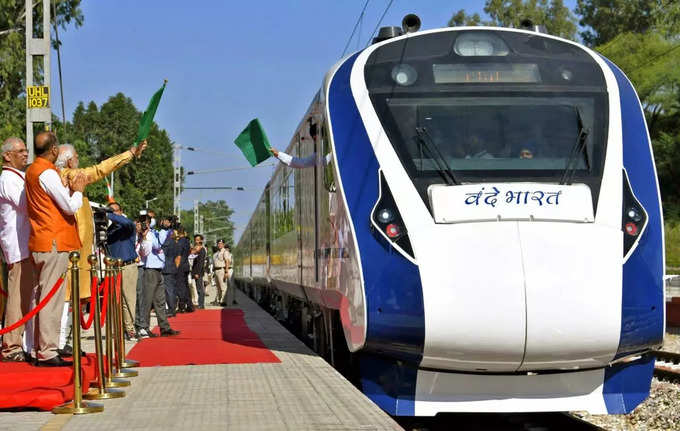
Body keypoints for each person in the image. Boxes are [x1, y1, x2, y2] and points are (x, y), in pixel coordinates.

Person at [55, 140, 147, 351]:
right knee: (67, 299)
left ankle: (64, 342)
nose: (79, 161)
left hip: (78, 249)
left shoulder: (66, 177)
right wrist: (129, 154)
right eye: (77, 157)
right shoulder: (69, 176)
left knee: (72, 300)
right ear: (70, 161)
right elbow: (99, 170)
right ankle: (59, 343)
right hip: (72, 249)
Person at [26, 131, 87, 366]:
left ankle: (36, 347)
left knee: (39, 297)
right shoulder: (47, 173)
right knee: (51, 298)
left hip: (39, 240)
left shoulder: (32, 170)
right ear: (53, 151)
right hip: (53, 241)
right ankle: (48, 351)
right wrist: (78, 189)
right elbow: (70, 206)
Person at [0, 137, 37, 362]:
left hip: (25, 244)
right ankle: (11, 345)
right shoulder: (8, 179)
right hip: (17, 245)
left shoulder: (18, 177)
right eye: (20, 151)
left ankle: (19, 342)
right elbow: (27, 205)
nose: (25, 154)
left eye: (26, 150)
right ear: (7, 156)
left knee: (25, 296)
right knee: (17, 296)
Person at [138, 215, 180, 338]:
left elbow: (162, 242)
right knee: (147, 301)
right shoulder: (145, 235)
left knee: (160, 301)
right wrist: (146, 234)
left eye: (146, 223)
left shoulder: (154, 232)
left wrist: (169, 229)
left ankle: (164, 327)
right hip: (149, 269)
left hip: (158, 269)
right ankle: (144, 327)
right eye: (142, 223)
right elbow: (153, 248)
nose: (144, 225)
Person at [106, 201, 138, 341]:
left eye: (115, 211)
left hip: (127, 266)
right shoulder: (109, 230)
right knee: (115, 301)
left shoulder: (128, 227)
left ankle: (130, 330)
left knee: (128, 300)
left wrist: (108, 214)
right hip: (113, 268)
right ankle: (118, 329)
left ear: (121, 211)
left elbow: (126, 222)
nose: (113, 213)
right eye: (110, 211)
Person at [175, 227, 192, 312]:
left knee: (180, 286)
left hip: (180, 266)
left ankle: (181, 306)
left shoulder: (180, 242)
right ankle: (189, 305)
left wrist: (176, 268)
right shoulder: (187, 241)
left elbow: (178, 256)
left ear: (177, 232)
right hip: (186, 265)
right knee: (186, 286)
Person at [191, 234, 207, 309]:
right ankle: (200, 303)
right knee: (197, 288)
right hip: (194, 271)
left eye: (198, 240)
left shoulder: (202, 249)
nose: (196, 241)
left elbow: (201, 262)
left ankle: (201, 304)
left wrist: (197, 273)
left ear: (201, 240)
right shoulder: (195, 249)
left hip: (199, 272)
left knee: (200, 289)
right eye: (195, 240)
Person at [211, 239, 228, 306]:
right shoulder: (216, 253)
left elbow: (227, 261)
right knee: (218, 287)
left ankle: (223, 301)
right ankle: (219, 300)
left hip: (221, 270)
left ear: (223, 244)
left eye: (221, 243)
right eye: (218, 243)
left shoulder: (225, 252)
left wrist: (226, 272)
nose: (219, 245)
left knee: (223, 286)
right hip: (216, 270)